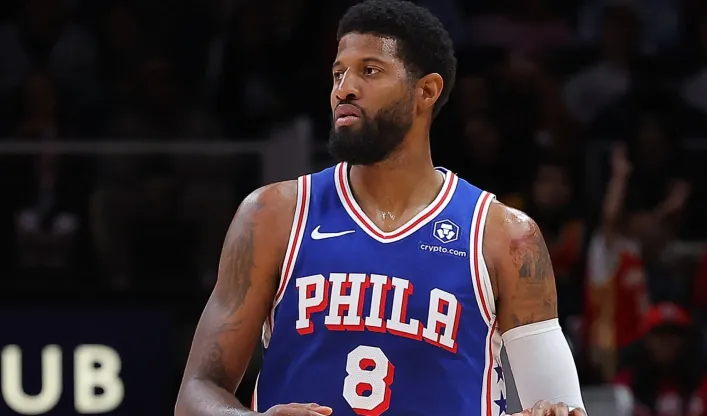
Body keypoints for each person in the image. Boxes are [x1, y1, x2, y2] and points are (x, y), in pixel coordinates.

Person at [175, 1, 586, 415]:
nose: (344, 88)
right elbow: (195, 393)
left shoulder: (504, 236)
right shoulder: (272, 215)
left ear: (426, 91)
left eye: (369, 70)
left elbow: (562, 407)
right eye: (339, 73)